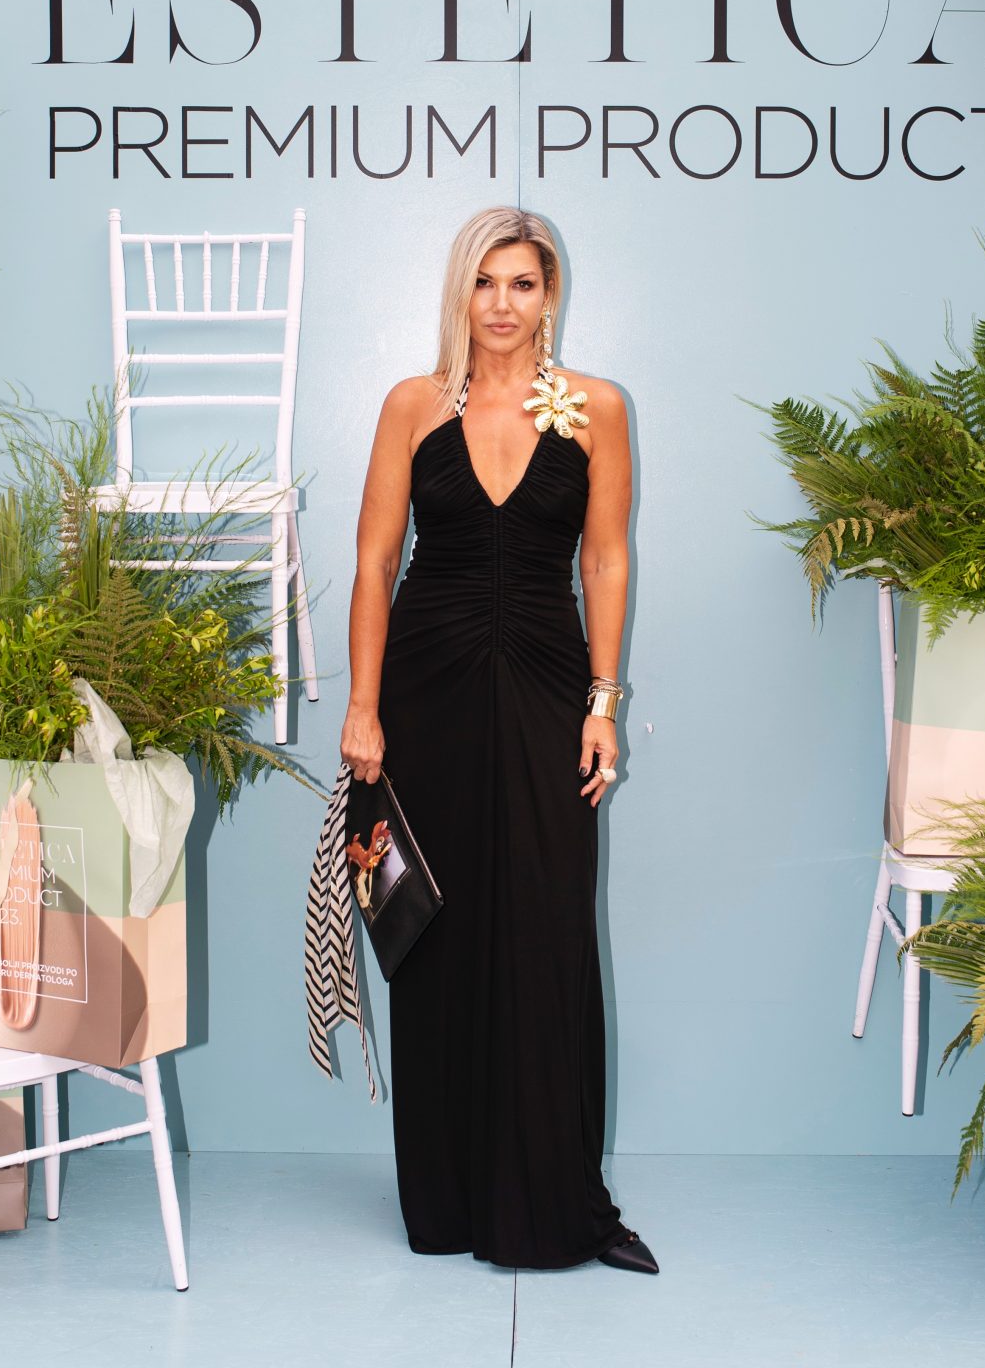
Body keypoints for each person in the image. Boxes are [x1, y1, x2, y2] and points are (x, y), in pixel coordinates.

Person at [338, 207, 658, 1274]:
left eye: (522, 283)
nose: (502, 304)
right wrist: (363, 706)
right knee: (436, 935)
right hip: (424, 692)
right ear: (459, 292)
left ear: (549, 294)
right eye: (485, 282)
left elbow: (604, 561)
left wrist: (602, 702)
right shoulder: (411, 405)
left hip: (547, 687)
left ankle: (558, 1200)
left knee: (548, 930)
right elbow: (375, 560)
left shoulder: (596, 408)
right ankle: (448, 1199)